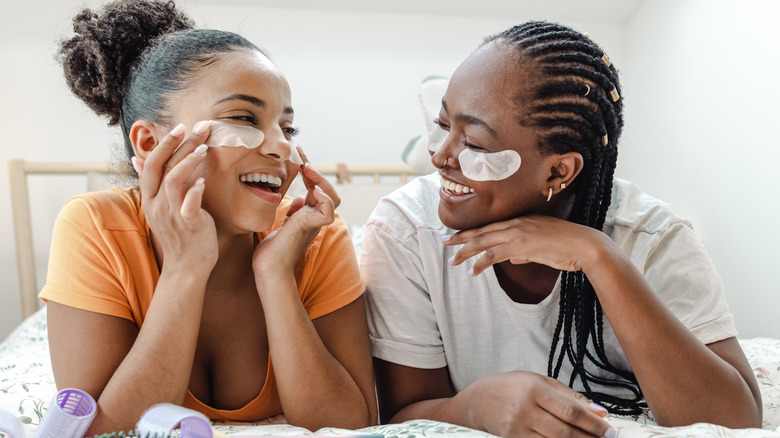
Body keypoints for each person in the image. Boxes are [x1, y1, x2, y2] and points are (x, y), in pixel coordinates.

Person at [360, 20, 762, 438]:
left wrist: (599, 256)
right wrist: (472, 408)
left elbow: (734, 421)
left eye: (475, 144)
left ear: (558, 171)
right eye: (443, 125)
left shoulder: (651, 236)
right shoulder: (405, 231)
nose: (441, 156)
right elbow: (400, 415)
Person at [42, 0, 376, 434]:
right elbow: (100, 432)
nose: (281, 148)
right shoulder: (97, 228)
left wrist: (275, 275)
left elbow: (352, 423)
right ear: (147, 143)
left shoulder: (314, 234)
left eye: (288, 129)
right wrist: (184, 269)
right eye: (242, 117)